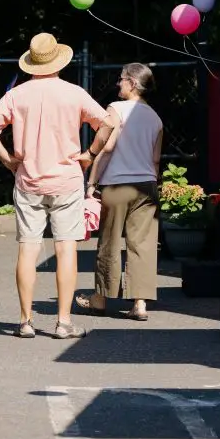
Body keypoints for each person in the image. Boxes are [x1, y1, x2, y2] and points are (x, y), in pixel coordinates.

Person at [0, 32, 117, 339]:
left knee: (28, 248)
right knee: (66, 248)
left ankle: (25, 321)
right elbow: (108, 123)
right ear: (58, 61)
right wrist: (89, 155)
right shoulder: (73, 92)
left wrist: (7, 160)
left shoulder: (17, 95)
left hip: (28, 180)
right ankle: (63, 322)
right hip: (66, 181)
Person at [77, 63, 163, 321]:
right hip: (147, 185)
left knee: (109, 241)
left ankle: (101, 299)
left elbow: (108, 145)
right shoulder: (156, 118)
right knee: (143, 245)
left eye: (122, 79)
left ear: (133, 83)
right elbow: (156, 160)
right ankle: (139, 303)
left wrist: (91, 181)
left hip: (117, 184)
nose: (118, 84)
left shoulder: (116, 109)